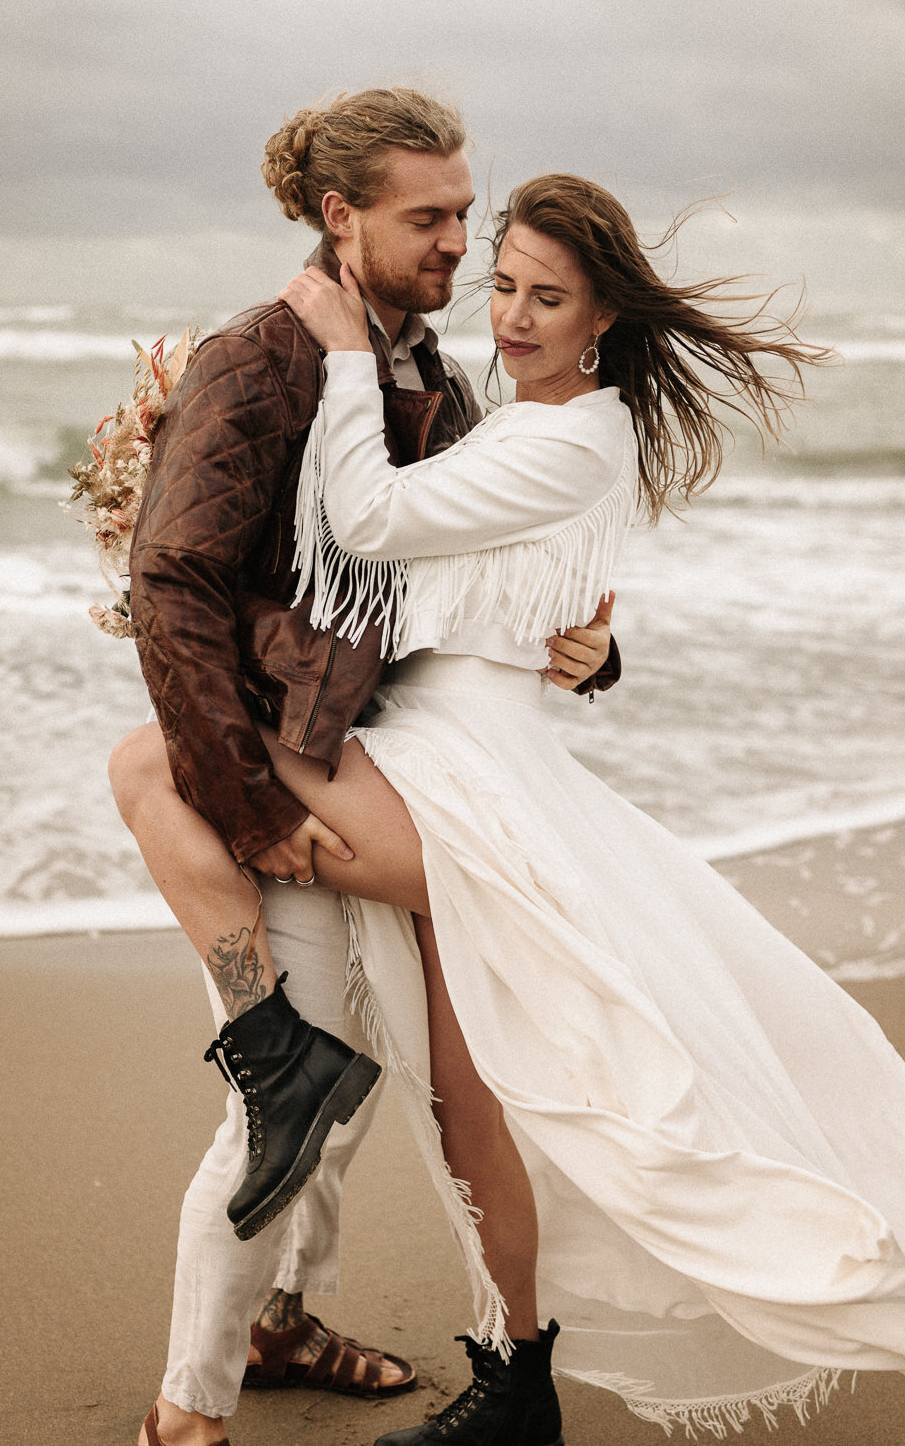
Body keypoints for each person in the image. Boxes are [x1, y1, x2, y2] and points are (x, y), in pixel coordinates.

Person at [138, 172, 905, 1445]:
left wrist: (334, 361)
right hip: (426, 742)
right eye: (502, 285)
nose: (513, 316)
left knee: (141, 762)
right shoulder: (511, 422)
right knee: (464, 1103)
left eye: (547, 298)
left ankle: (276, 1053)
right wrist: (593, 645)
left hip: (462, 773)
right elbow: (475, 586)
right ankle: (516, 1381)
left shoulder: (574, 433)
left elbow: (372, 518)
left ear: (601, 313)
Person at [112, 89, 617, 1446]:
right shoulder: (262, 356)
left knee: (340, 1092)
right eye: (431, 217)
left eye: (466, 211)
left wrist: (584, 645)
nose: (462, 239)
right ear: (342, 217)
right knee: (285, 1099)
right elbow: (173, 585)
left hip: (383, 761)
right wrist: (251, 801)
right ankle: (188, 1412)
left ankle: (280, 1324)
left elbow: (457, 571)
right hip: (287, 776)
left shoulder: (434, 372)